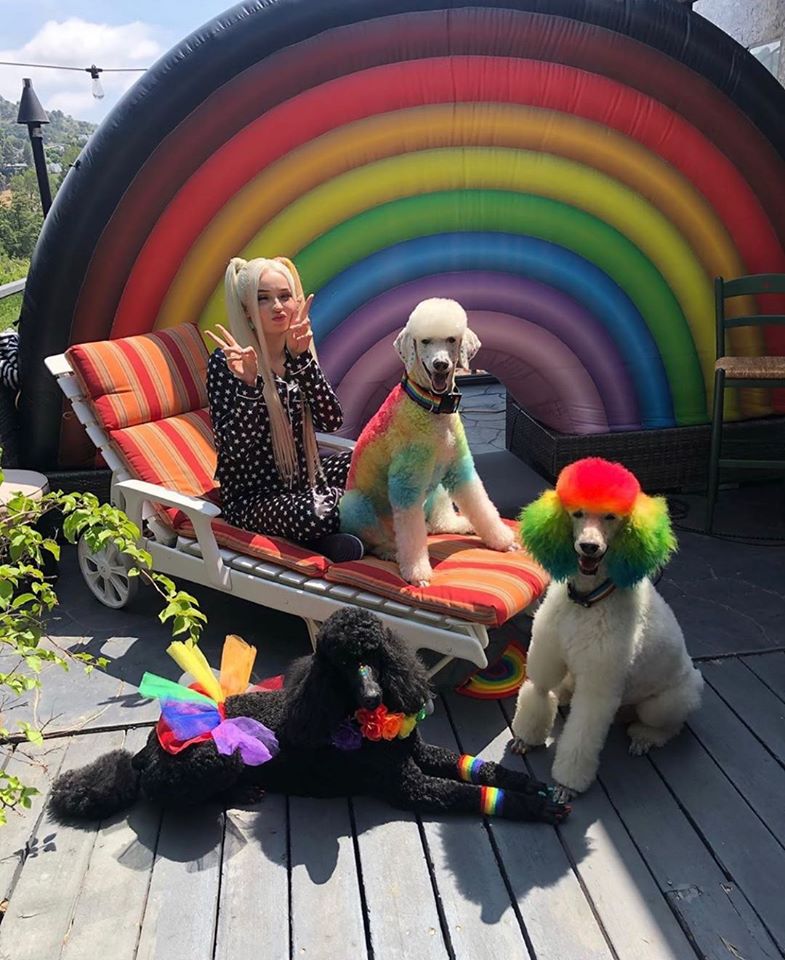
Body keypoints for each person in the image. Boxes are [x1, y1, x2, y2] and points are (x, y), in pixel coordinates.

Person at [205, 256, 364, 562]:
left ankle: (330, 536)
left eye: (284, 296)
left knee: (374, 459)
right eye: (263, 299)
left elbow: (331, 420)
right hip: (254, 500)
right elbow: (233, 450)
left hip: (307, 483)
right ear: (247, 311)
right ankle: (334, 531)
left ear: (296, 302)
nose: (277, 306)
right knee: (320, 511)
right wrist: (249, 387)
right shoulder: (226, 363)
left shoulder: (296, 355)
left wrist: (304, 361)